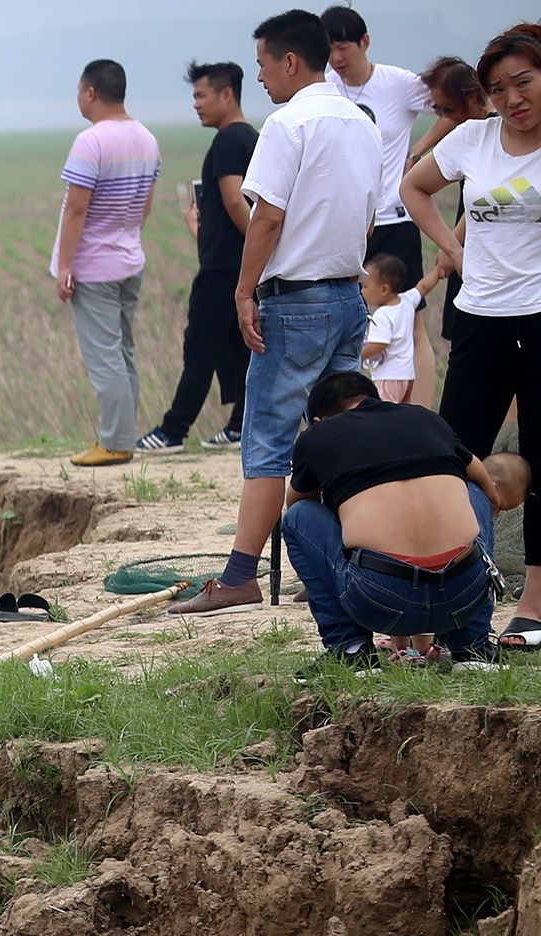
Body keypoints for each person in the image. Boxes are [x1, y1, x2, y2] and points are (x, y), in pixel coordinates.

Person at [170, 11, 386, 617]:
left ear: (290, 62)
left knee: (267, 440)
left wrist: (245, 292)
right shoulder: (362, 123)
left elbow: (266, 215)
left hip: (295, 301)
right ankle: (346, 556)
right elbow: (367, 216)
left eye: (263, 64)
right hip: (349, 295)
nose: (260, 77)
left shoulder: (289, 123)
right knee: (338, 433)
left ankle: (239, 576)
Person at [403, 24, 541, 631]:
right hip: (481, 318)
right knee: (451, 455)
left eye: (524, 82)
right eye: (499, 88)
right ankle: (452, 601)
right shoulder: (474, 140)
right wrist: (450, 251)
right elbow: (414, 186)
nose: (513, 98)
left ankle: (533, 607)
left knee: (539, 463)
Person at [283, 368, 525, 666]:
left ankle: (350, 649)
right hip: (463, 597)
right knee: (472, 490)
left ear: (317, 420)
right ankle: (472, 648)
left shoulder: (317, 435)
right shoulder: (424, 418)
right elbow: (488, 490)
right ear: (376, 400)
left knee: (298, 518)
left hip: (381, 601)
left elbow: (295, 504)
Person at [141, 61, 260, 450]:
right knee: (242, 348)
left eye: (200, 95)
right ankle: (241, 424)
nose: (195, 104)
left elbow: (234, 201)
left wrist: (262, 244)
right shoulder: (253, 138)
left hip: (222, 270)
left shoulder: (227, 141)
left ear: (227, 94)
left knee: (200, 348)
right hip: (243, 266)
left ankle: (173, 431)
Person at [55, 59, 162, 465]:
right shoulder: (147, 138)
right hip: (129, 256)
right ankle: (124, 435)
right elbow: (146, 204)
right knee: (124, 352)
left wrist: (65, 266)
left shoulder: (91, 141)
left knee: (105, 356)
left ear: (90, 93)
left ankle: (115, 441)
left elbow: (76, 209)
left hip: (95, 264)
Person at [325, 7, 437, 291]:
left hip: (395, 220)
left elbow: (453, 107)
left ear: (364, 42)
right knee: (350, 311)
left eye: (342, 48)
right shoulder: (324, 88)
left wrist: (417, 152)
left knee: (404, 315)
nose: (336, 59)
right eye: (328, 50)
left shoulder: (399, 83)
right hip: (345, 224)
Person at [411, 55, 490, 349]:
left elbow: (496, 199)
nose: (448, 118)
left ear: (472, 96)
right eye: (438, 110)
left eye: (450, 109)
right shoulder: (469, 135)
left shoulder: (495, 133)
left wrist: (453, 244)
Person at [361, 252, 418, 399]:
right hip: (407, 375)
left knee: (385, 416)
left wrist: (356, 356)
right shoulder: (407, 301)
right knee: (402, 415)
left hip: (389, 376)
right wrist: (437, 272)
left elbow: (379, 344)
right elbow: (423, 287)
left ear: (384, 289)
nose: (362, 291)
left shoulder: (382, 315)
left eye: (365, 286)